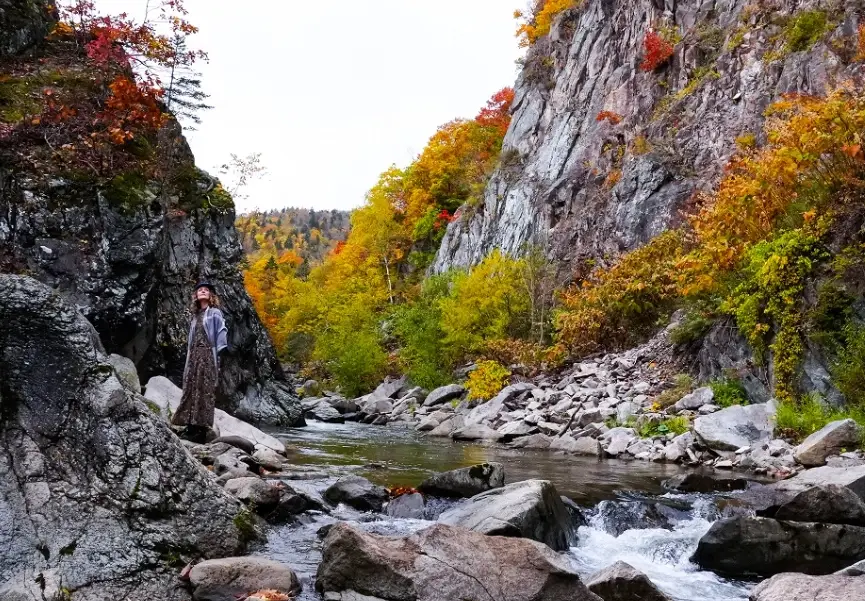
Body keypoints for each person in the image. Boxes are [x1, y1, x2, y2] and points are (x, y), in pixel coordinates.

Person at [172, 281, 228, 442]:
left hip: (207, 355)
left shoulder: (215, 313)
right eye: (200, 290)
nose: (203, 291)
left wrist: (219, 350)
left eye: (206, 290)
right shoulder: (195, 316)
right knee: (190, 388)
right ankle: (190, 426)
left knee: (204, 390)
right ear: (195, 295)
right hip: (193, 356)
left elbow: (222, 331)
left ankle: (201, 430)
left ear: (211, 295)